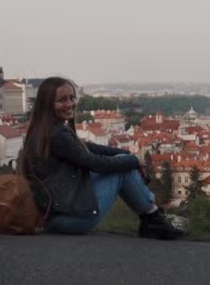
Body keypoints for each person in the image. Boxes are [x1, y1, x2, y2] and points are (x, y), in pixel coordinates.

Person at [20, 76, 182, 240]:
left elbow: (90, 148)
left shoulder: (43, 130)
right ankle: (153, 218)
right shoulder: (56, 135)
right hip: (67, 220)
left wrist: (127, 155)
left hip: (54, 214)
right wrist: (133, 161)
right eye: (62, 100)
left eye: (71, 98)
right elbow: (95, 163)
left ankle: (152, 218)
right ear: (47, 104)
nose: (70, 104)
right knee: (122, 170)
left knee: (121, 161)